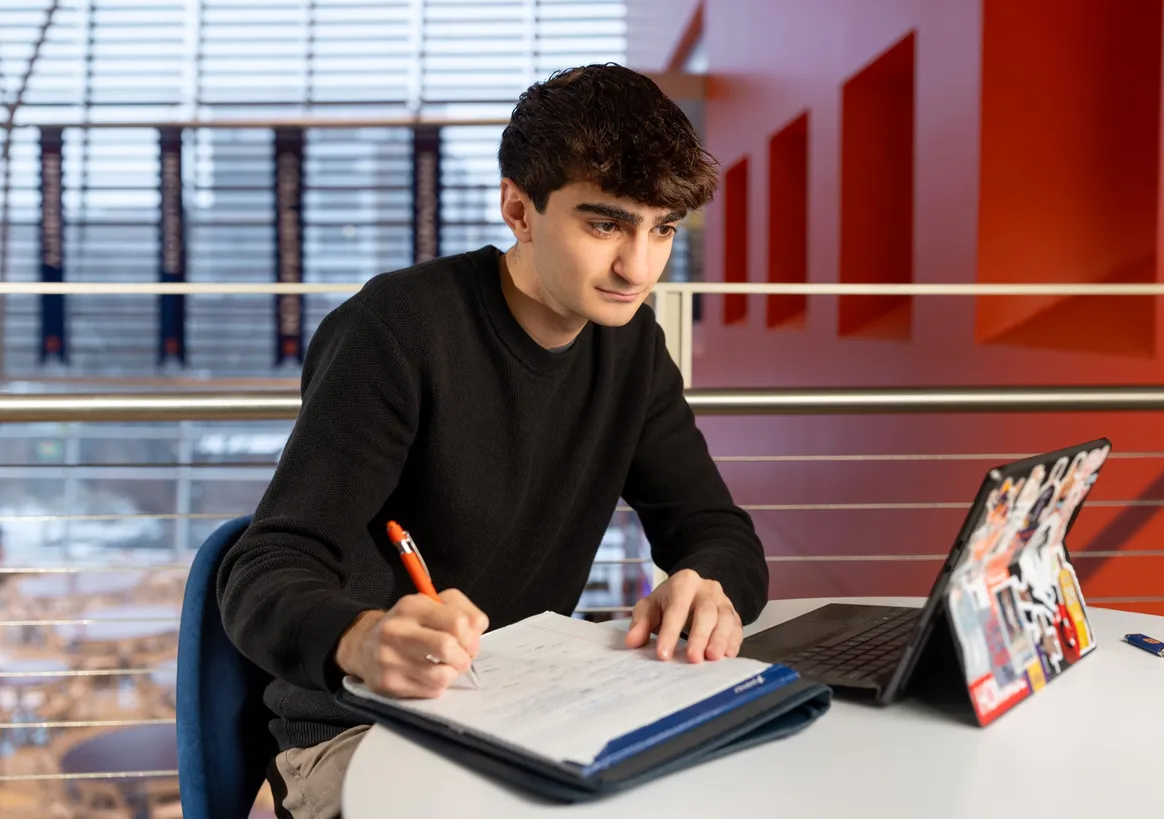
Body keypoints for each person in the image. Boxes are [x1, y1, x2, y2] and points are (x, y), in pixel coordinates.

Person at [216, 62, 769, 819]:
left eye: (661, 229)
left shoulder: (632, 344)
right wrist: (361, 636)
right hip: (363, 732)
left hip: (527, 720)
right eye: (604, 223)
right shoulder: (396, 332)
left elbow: (717, 531)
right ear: (519, 207)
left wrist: (710, 585)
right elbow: (264, 566)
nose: (637, 267)